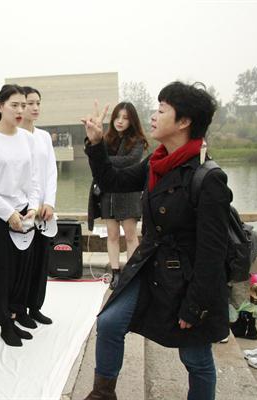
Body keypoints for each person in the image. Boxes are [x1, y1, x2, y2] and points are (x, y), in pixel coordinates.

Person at [81, 82, 230, 400]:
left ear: (184, 121)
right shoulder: (156, 163)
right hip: (151, 265)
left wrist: (195, 305)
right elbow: (112, 180)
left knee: (195, 358)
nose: (153, 116)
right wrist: (96, 143)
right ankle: (102, 394)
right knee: (109, 323)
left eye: (161, 110)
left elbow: (212, 253)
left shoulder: (208, 177)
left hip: (189, 277)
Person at [0, 84, 41, 347]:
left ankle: (15, 315)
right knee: (0, 273)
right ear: (0, 106)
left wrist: (32, 206)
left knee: (21, 270)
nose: (20, 110)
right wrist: (7, 212)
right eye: (14, 105)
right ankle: (4, 322)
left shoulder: (28, 139)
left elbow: (34, 178)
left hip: (23, 213)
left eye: (23, 105)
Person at [87, 102, 148, 290]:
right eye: (117, 117)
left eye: (125, 118)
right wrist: (98, 150)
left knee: (130, 235)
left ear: (132, 121)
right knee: (112, 234)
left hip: (128, 192)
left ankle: (131, 272)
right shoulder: (106, 138)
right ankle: (115, 272)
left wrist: (104, 160)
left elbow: (130, 161)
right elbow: (94, 157)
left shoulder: (138, 140)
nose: (120, 121)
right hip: (108, 194)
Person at [19, 86, 57, 325]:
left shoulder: (43, 137)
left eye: (37, 103)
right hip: (23, 209)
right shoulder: (14, 136)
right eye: (29, 103)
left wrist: (49, 202)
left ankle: (35, 306)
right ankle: (19, 309)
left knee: (41, 260)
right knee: (24, 262)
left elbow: (51, 171)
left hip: (44, 210)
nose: (34, 108)